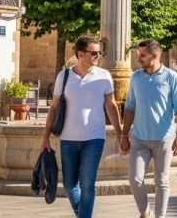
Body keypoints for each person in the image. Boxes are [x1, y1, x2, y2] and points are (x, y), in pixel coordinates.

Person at [40, 36, 121, 218]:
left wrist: (120, 134)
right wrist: (45, 137)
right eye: (93, 53)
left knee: (87, 185)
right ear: (80, 54)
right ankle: (82, 214)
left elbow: (111, 105)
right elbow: (53, 107)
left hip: (94, 138)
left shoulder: (104, 76)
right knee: (69, 185)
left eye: (99, 53)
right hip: (67, 139)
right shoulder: (65, 76)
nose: (98, 56)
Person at [120, 39, 177, 218]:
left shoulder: (172, 77)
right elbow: (129, 108)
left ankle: (160, 216)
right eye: (138, 55)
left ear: (155, 56)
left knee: (162, 181)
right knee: (134, 178)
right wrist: (124, 135)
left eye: (142, 56)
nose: (139, 59)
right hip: (139, 138)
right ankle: (145, 211)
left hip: (164, 138)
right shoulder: (136, 77)